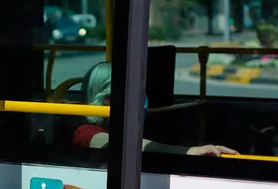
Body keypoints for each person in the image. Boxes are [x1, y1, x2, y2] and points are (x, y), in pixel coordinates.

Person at [73, 62, 239, 156]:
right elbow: (124, 145)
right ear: (102, 99)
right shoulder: (85, 131)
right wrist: (190, 151)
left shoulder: (121, 126)